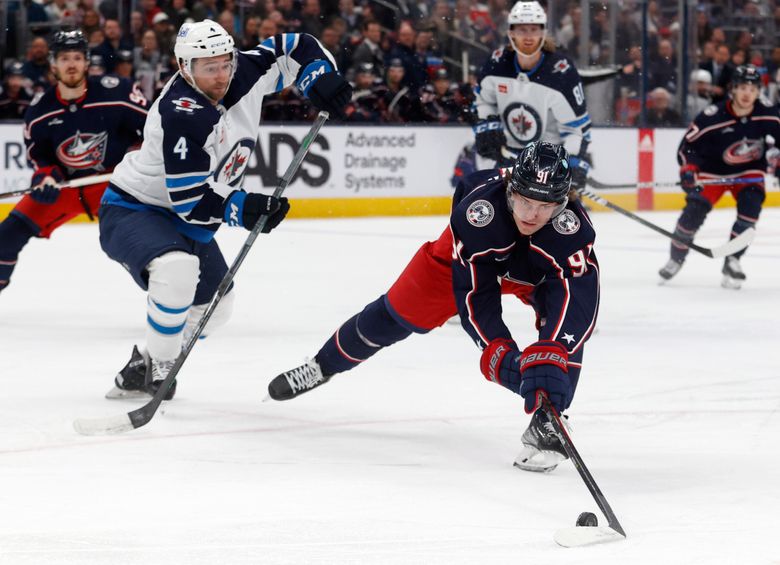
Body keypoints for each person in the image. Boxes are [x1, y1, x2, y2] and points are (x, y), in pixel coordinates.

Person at [267, 142, 600, 473]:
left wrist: (553, 351)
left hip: (535, 272)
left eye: (544, 206)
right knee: (393, 315)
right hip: (469, 262)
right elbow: (476, 297)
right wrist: (499, 353)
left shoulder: (572, 231)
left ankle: (549, 420)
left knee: (559, 340)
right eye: (524, 201)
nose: (531, 215)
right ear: (510, 188)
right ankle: (322, 366)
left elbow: (578, 302)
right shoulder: (478, 213)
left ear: (561, 203)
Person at [100, 20, 351, 400]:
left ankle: (147, 362)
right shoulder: (182, 113)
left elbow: (294, 45)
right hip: (136, 209)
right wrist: (244, 207)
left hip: (191, 217)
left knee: (215, 306)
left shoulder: (243, 71)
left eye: (225, 63)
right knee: (175, 270)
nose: (221, 76)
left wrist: (318, 74)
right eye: (209, 68)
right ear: (185, 68)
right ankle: (162, 369)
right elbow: (190, 202)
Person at [0, 31, 148, 294]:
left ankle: (168, 296)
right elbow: (39, 155)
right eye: (64, 58)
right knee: (6, 236)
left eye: (77, 57)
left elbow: (151, 131)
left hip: (114, 186)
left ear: (87, 62)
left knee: (144, 243)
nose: (71, 64)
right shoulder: (39, 111)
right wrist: (45, 177)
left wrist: (137, 157)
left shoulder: (119, 91)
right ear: (53, 64)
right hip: (66, 187)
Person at [659, 65, 780, 289]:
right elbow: (688, 147)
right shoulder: (712, 116)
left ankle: (733, 259)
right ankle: (676, 258)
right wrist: (688, 170)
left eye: (753, 89)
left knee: (750, 209)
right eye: (742, 88)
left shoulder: (768, 112)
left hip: (749, 171)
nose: (747, 94)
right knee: (692, 214)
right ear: (732, 89)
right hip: (711, 172)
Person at [472, 1, 592, 192]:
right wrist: (488, 126)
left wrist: (571, 163)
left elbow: (576, 130)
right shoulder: (496, 64)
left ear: (543, 32)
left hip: (547, 165)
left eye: (534, 29)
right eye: (522, 30)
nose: (528, 37)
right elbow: (483, 102)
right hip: (508, 159)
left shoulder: (561, 72)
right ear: (511, 32)